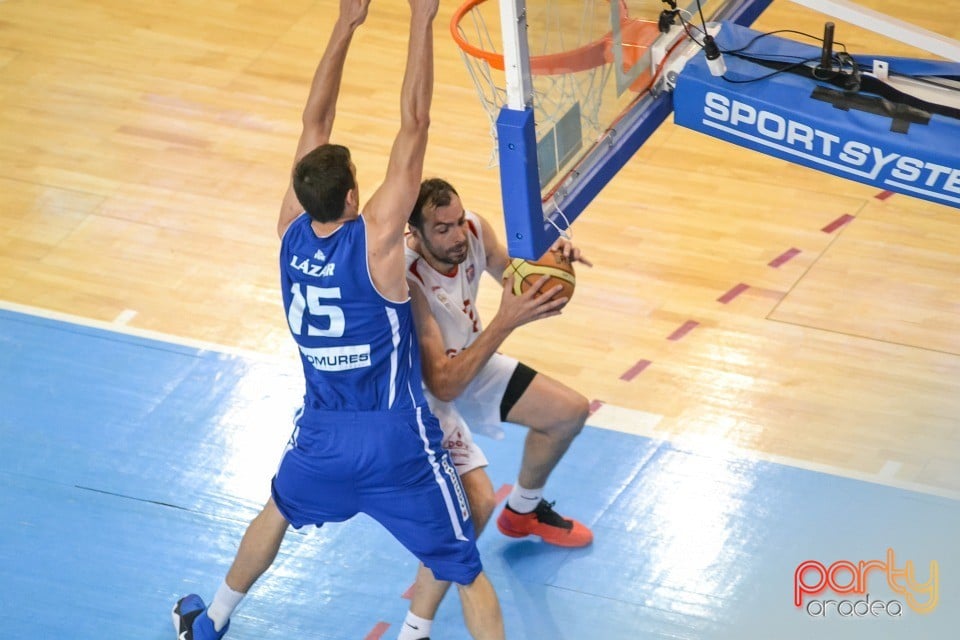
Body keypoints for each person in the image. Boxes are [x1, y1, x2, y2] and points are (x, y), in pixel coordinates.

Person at [171, 3, 505, 639]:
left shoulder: (288, 231)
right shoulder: (378, 244)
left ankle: (211, 620)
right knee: (465, 568)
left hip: (321, 436)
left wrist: (345, 22)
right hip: (395, 439)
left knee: (279, 508)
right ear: (354, 197)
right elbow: (415, 121)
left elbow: (313, 120)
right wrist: (421, 18)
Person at [396, 177, 593, 640]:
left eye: (459, 221)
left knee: (569, 412)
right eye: (441, 229)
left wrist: (552, 269)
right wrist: (505, 320)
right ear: (415, 234)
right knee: (477, 503)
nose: (457, 235)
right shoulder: (407, 278)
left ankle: (522, 512)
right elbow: (443, 385)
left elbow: (515, 277)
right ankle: (415, 626)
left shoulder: (475, 233)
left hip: (471, 357)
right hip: (423, 393)